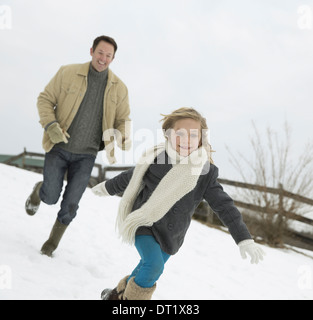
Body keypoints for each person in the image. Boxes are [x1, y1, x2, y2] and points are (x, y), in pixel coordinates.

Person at [92, 107, 265, 300]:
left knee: (147, 267)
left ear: (201, 139)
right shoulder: (156, 159)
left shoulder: (205, 173)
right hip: (144, 222)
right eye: (180, 133)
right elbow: (130, 177)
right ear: (168, 135)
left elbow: (224, 207)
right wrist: (107, 187)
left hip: (171, 234)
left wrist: (244, 238)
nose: (186, 140)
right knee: (153, 265)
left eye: (193, 135)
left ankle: (115, 295)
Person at [25, 35, 131, 257]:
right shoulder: (68, 72)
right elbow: (45, 99)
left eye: (108, 55)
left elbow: (123, 119)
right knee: (51, 196)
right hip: (58, 147)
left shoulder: (119, 88)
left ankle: (51, 244)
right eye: (100, 53)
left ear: (113, 59)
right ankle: (39, 191)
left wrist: (122, 136)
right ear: (91, 51)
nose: (103, 58)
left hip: (87, 155)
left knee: (71, 204)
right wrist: (51, 125)